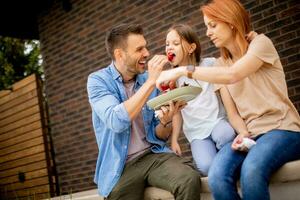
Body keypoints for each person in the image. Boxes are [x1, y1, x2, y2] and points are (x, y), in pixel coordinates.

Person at [155, 0, 300, 199]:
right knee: (216, 176)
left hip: (282, 129)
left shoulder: (260, 44)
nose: (207, 32)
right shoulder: (221, 63)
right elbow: (232, 113)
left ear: (231, 22)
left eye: (212, 25)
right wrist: (242, 133)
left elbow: (233, 74)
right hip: (251, 135)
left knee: (252, 170)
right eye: (206, 27)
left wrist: (182, 70)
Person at [87, 23, 201, 200]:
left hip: (153, 154)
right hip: (121, 165)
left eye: (145, 47)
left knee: (189, 179)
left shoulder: (148, 79)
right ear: (119, 54)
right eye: (139, 49)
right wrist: (150, 82)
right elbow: (116, 121)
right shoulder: (98, 81)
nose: (147, 53)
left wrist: (166, 121)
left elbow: (160, 134)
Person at [164, 24, 236, 176]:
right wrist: (175, 139)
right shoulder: (173, 80)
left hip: (217, 121)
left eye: (175, 44)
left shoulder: (209, 64)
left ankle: (226, 169)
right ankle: (225, 170)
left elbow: (230, 69)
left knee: (226, 135)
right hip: (196, 133)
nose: (170, 48)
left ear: (191, 48)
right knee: (206, 167)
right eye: (167, 44)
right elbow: (177, 113)